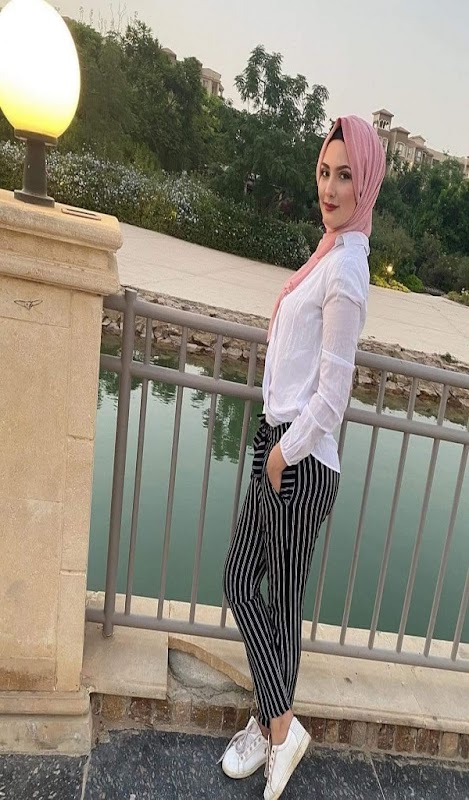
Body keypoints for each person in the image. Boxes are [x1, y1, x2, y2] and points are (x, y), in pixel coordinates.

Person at [219, 115, 386, 800]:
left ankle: (276, 729)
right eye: (323, 172)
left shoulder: (346, 270)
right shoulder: (329, 253)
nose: (330, 187)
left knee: (277, 603)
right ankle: (277, 725)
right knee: (240, 581)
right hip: (281, 445)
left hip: (300, 458)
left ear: (365, 183)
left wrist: (282, 455)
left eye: (345, 175)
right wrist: (274, 446)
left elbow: (333, 393)